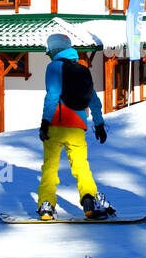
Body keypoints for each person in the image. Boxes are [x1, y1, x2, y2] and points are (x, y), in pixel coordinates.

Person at [36, 32, 109, 220]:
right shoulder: (82, 69)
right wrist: (99, 124)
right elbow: (93, 99)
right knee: (81, 165)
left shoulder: (53, 67)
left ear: (52, 50)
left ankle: (46, 205)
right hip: (77, 126)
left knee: (50, 167)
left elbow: (52, 95)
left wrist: (45, 122)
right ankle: (89, 201)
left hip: (56, 124)